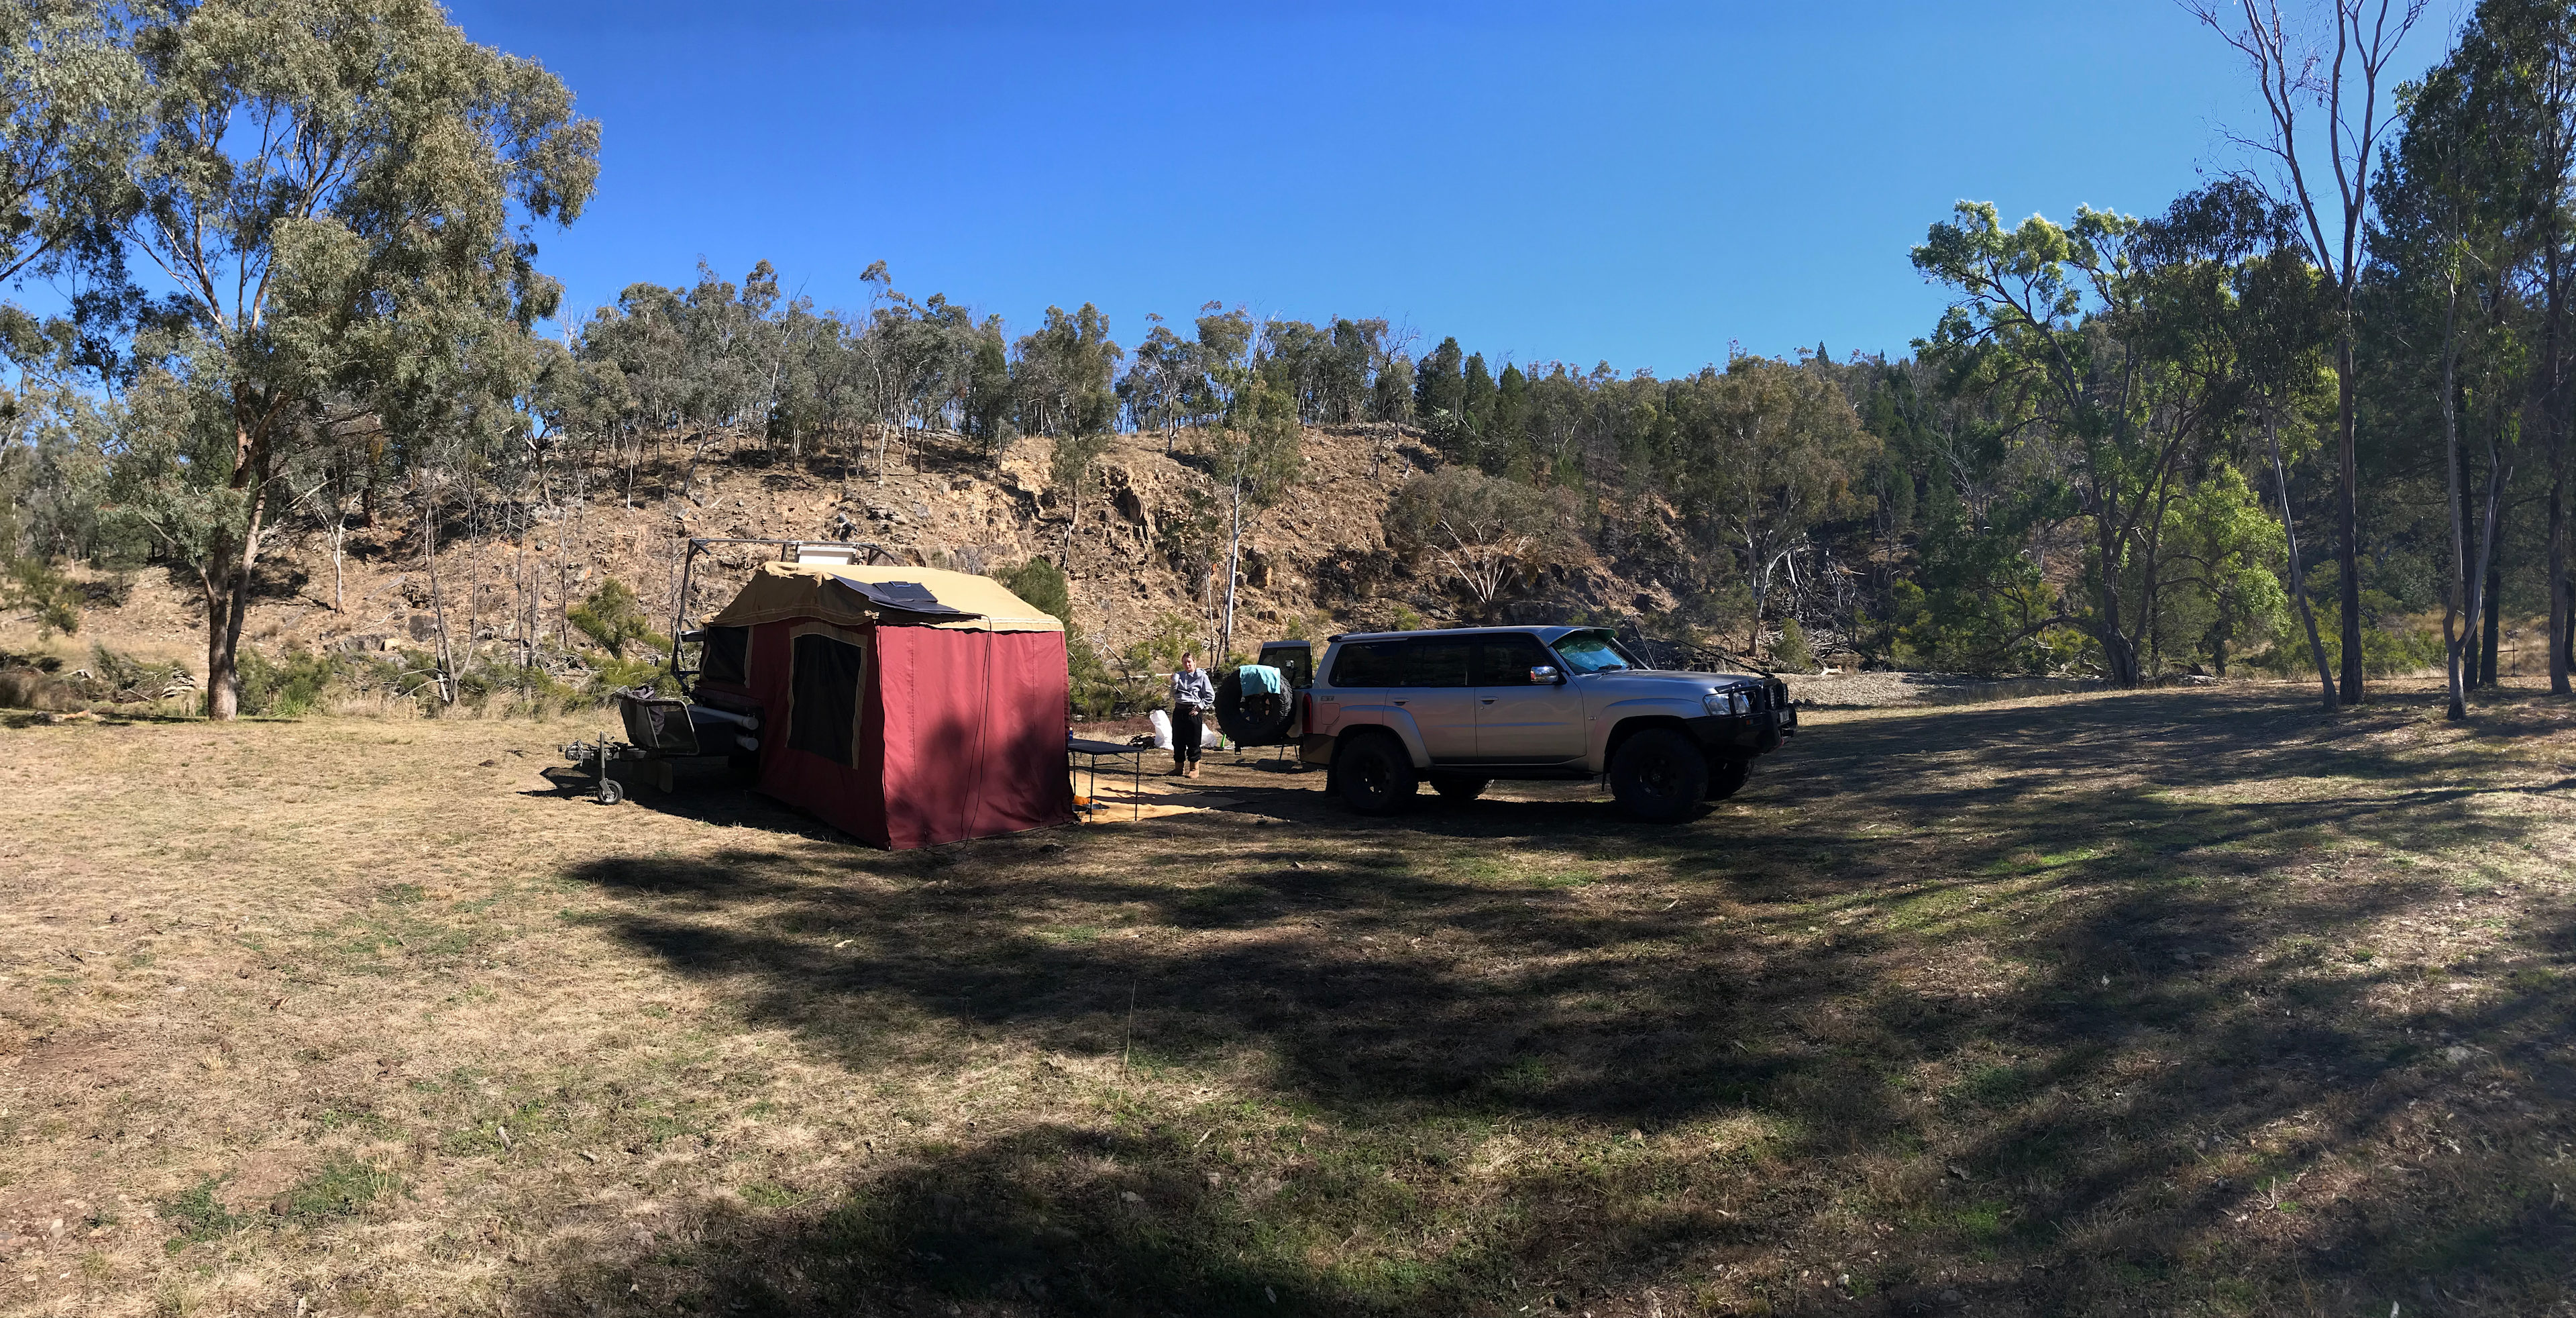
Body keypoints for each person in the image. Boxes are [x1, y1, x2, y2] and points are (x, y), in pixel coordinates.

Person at [1167, 652, 1214, 778]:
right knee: (1177, 740)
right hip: (1179, 711)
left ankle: (1194, 769)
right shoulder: (1179, 676)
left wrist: (1200, 707)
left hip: (1193, 711)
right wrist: (1174, 683)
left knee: (1193, 741)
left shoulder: (1202, 677)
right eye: (1184, 662)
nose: (1187, 664)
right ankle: (1178, 768)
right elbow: (1172, 694)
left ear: (1194, 662)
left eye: (1189, 662)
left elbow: (1210, 696)